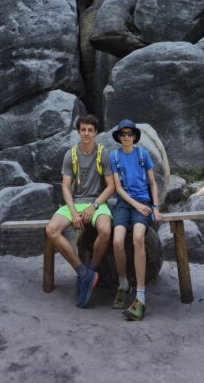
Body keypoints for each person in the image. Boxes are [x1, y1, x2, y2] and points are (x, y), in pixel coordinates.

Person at [45, 113, 114, 308]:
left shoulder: (103, 153)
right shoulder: (71, 154)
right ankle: (83, 273)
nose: (86, 133)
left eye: (90, 130)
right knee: (51, 230)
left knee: (106, 231)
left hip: (97, 202)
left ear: (96, 132)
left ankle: (92, 270)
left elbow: (110, 187)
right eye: (83, 130)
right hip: (74, 203)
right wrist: (74, 212)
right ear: (78, 132)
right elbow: (65, 187)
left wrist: (94, 207)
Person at [109, 118, 162, 321]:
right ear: (119, 137)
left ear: (135, 136)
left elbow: (153, 182)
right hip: (125, 203)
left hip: (143, 202)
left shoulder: (142, 154)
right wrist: (136, 205)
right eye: (123, 134)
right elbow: (118, 188)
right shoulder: (114, 157)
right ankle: (123, 283)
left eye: (130, 134)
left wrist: (155, 207)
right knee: (117, 241)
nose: (127, 137)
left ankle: (140, 297)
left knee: (138, 237)